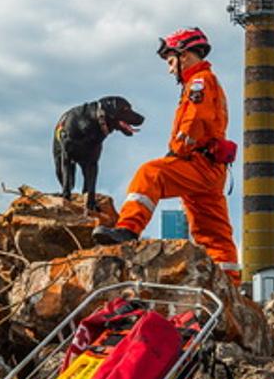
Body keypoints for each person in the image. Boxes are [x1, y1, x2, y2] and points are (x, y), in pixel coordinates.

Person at [92, 28, 242, 285]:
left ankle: (128, 228)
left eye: (171, 61)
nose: (170, 69)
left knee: (151, 173)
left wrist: (176, 153)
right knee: (213, 231)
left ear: (184, 55)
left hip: (198, 163)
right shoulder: (206, 81)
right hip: (212, 168)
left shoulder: (199, 82)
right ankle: (229, 283)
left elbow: (194, 122)